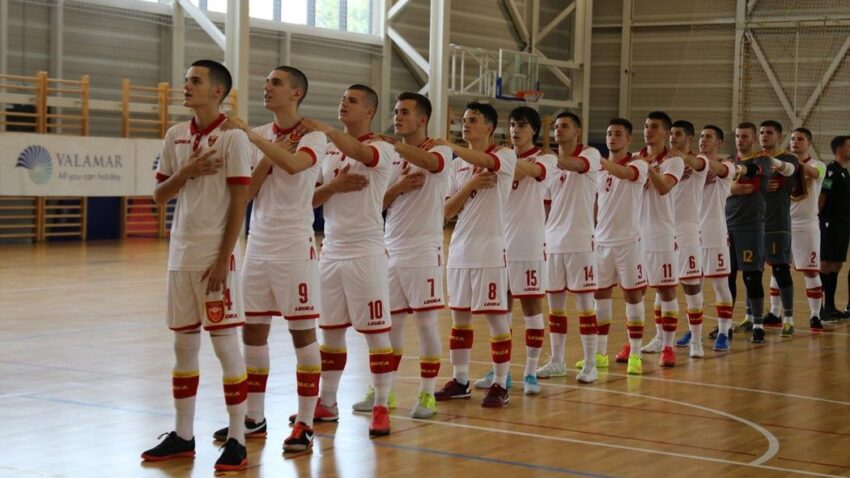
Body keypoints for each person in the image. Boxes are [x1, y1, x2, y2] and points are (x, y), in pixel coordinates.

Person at [141, 59, 251, 471]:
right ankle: (182, 435)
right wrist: (186, 170)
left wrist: (224, 258)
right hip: (180, 257)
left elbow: (240, 202)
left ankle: (237, 438)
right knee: (183, 347)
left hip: (213, 258)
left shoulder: (233, 138)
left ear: (217, 91)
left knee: (225, 348)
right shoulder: (175, 135)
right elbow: (158, 196)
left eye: (195, 80)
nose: (186, 85)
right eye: (186, 80)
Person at [212, 66, 327, 452]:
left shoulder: (313, 136)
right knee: (253, 331)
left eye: (276, 83)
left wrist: (254, 138)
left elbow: (295, 165)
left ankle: (306, 422)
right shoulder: (260, 134)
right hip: (258, 245)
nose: (267, 88)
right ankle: (254, 416)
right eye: (266, 82)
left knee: (302, 333)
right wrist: (263, 145)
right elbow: (247, 193)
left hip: (294, 246)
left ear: (296, 93)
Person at [299, 84, 397, 436]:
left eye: (352, 100)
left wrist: (326, 130)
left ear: (369, 111)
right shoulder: (327, 151)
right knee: (330, 333)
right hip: (331, 251)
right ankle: (327, 402)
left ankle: (381, 405)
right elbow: (309, 199)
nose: (344, 103)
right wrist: (333, 187)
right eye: (342, 99)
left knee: (376, 334)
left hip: (366, 252)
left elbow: (360, 152)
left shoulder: (382, 148)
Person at [373, 92, 450, 419]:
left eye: (404, 112)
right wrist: (399, 186)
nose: (397, 117)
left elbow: (432, 164)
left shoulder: (440, 149)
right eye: (395, 111)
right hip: (391, 248)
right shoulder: (391, 158)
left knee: (426, 324)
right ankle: (384, 392)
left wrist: (391, 145)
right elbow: (377, 203)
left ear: (422, 119)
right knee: (389, 324)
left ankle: (427, 394)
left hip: (423, 250)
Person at [436, 102, 517, 407]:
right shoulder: (457, 166)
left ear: (489, 128)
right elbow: (446, 211)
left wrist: (449, 146)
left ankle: (500, 383)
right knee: (459, 320)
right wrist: (470, 184)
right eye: (464, 120)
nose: (466, 124)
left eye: (473, 120)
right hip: (459, 250)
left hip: (490, 251)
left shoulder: (505, 155)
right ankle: (460, 380)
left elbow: (486, 161)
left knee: (497, 320)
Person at [473, 106, 555, 394]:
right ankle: (502, 371)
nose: (515, 130)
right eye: (511, 125)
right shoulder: (501, 157)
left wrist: (496, 161)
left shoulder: (546, 158)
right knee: (500, 310)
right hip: (498, 242)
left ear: (534, 129)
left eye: (521, 125)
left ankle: (531, 372)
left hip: (528, 243)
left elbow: (521, 170)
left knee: (531, 308)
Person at [580, 118, 648, 376]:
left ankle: (636, 354)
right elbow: (597, 203)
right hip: (602, 241)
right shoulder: (600, 170)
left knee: (633, 296)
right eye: (609, 133)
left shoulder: (638, 164)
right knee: (600, 296)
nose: (612, 137)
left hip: (629, 241)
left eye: (618, 133)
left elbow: (625, 174)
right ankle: (600, 353)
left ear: (628, 139)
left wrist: (598, 160)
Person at [537, 111, 601, 384]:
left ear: (578, 130)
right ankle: (557, 361)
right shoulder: (551, 167)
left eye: (564, 126)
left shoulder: (590, 155)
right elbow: (545, 205)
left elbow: (577, 166)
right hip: (553, 242)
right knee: (555, 308)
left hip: (580, 242)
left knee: (585, 306)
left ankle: (590, 363)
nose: (558, 130)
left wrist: (545, 160)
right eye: (556, 126)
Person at [724, 122, 795, 343]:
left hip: (755, 225)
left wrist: (736, 174)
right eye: (737, 136)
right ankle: (726, 326)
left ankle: (767, 323)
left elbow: (762, 173)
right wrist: (730, 189)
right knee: (728, 277)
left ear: (753, 139)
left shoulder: (762, 160)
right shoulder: (729, 162)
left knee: (755, 275)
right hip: (727, 227)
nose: (740, 140)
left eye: (745, 136)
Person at [631, 111, 684, 367]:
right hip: (635, 233)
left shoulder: (674, 161)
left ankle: (668, 346)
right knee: (636, 291)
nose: (648, 130)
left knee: (665, 289)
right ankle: (640, 343)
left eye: (654, 126)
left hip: (662, 234)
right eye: (645, 126)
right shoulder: (634, 158)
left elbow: (663, 187)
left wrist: (646, 167)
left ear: (666, 132)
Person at [657, 120, 708, 359]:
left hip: (688, 230)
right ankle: (660, 338)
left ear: (689, 138)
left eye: (678, 134)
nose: (673, 138)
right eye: (671, 134)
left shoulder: (698, 161)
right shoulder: (664, 163)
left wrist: (681, 159)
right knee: (661, 286)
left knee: (691, 285)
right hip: (664, 229)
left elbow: (698, 163)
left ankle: (696, 340)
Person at [694, 126, 737, 351]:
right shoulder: (692, 167)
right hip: (692, 234)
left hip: (715, 233)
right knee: (694, 286)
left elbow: (719, 168)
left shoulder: (726, 166)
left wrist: (701, 164)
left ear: (719, 142)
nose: (703, 140)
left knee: (720, 284)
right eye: (701, 136)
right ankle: (694, 331)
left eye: (708, 136)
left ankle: (723, 331)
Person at [759, 121, 802, 331]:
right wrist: (761, 185)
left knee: (781, 270)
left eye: (769, 132)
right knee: (752, 273)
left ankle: (788, 319)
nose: (764, 136)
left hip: (777, 224)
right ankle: (753, 318)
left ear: (779, 136)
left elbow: (788, 171)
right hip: (754, 224)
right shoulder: (755, 160)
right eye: (761, 132)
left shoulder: (788, 159)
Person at [788, 127, 827, 335]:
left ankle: (815, 315)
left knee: (811, 271)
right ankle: (776, 312)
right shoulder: (784, 165)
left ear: (809, 143)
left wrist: (790, 163)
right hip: (785, 224)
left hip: (807, 225)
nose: (795, 142)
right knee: (779, 268)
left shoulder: (818, 165)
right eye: (792, 139)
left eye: (800, 139)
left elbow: (814, 174)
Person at [819, 136, 850, 319]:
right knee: (826, 263)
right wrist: (818, 217)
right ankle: (821, 307)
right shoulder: (831, 171)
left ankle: (830, 306)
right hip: (830, 222)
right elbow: (823, 194)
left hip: (843, 224)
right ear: (839, 149)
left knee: (837, 264)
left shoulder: (844, 172)